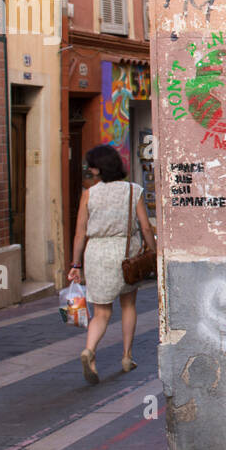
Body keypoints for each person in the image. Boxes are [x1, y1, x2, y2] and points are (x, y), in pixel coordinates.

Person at [66, 144, 155, 384]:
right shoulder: (133, 190)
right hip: (126, 254)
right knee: (128, 305)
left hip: (96, 254)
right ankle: (127, 356)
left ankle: (90, 350)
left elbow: (79, 232)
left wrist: (75, 264)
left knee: (102, 312)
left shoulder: (89, 193)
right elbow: (145, 226)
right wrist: (154, 251)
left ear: (98, 169)